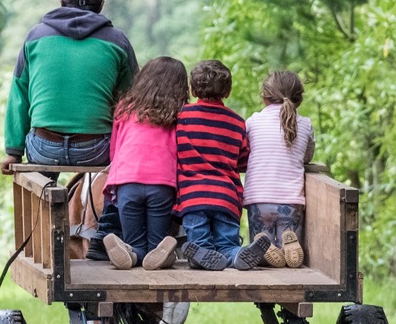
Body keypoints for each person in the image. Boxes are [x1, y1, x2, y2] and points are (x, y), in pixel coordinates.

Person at [1, 0, 137, 171]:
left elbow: (19, 94)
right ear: (101, 5)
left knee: (42, 179)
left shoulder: (35, 36)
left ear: (61, 2)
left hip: (44, 148)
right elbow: (133, 97)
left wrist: (13, 151)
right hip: (96, 150)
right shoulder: (118, 41)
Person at [173, 60, 272, 271]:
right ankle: (236, 254)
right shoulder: (236, 122)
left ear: (192, 88)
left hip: (194, 197)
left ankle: (199, 255)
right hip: (226, 197)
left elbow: (172, 151)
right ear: (227, 92)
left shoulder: (182, 117)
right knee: (227, 243)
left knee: (199, 244)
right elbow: (243, 159)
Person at [101, 57, 189, 271]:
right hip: (162, 183)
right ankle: (163, 254)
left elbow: (115, 149)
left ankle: (128, 253)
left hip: (127, 181)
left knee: (136, 243)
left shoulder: (125, 108)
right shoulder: (181, 112)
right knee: (156, 245)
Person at [243, 70, 315, 269]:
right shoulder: (305, 124)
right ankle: (288, 245)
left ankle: (265, 248)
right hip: (291, 201)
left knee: (261, 253)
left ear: (265, 97)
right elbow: (307, 156)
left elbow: (245, 151)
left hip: (259, 199)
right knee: (289, 249)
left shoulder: (253, 122)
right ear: (298, 99)